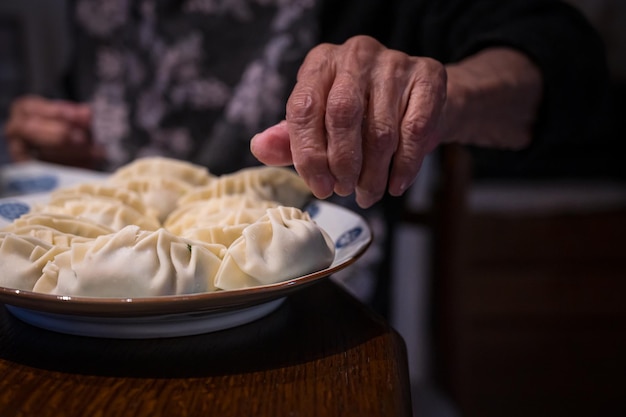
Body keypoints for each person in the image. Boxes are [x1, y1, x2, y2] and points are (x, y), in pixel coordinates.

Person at [2, 0, 608, 311]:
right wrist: (51, 137)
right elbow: (87, 91)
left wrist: (437, 97)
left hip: (306, 316)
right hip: (75, 312)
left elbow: (567, 58)